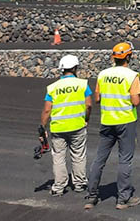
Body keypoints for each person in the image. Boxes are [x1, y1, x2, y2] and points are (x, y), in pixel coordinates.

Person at [84, 41, 140, 210]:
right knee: (125, 160)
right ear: (129, 56)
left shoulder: (103, 74)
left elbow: (97, 98)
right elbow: (136, 101)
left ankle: (92, 196)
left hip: (107, 121)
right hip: (126, 121)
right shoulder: (132, 76)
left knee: (99, 159)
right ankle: (123, 199)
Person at [40, 54, 92, 196]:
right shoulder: (82, 84)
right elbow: (88, 105)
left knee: (58, 157)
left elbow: (46, 110)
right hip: (77, 126)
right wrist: (86, 119)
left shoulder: (52, 87)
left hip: (58, 128)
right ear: (75, 68)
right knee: (78, 155)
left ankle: (59, 186)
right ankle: (80, 183)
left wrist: (42, 128)